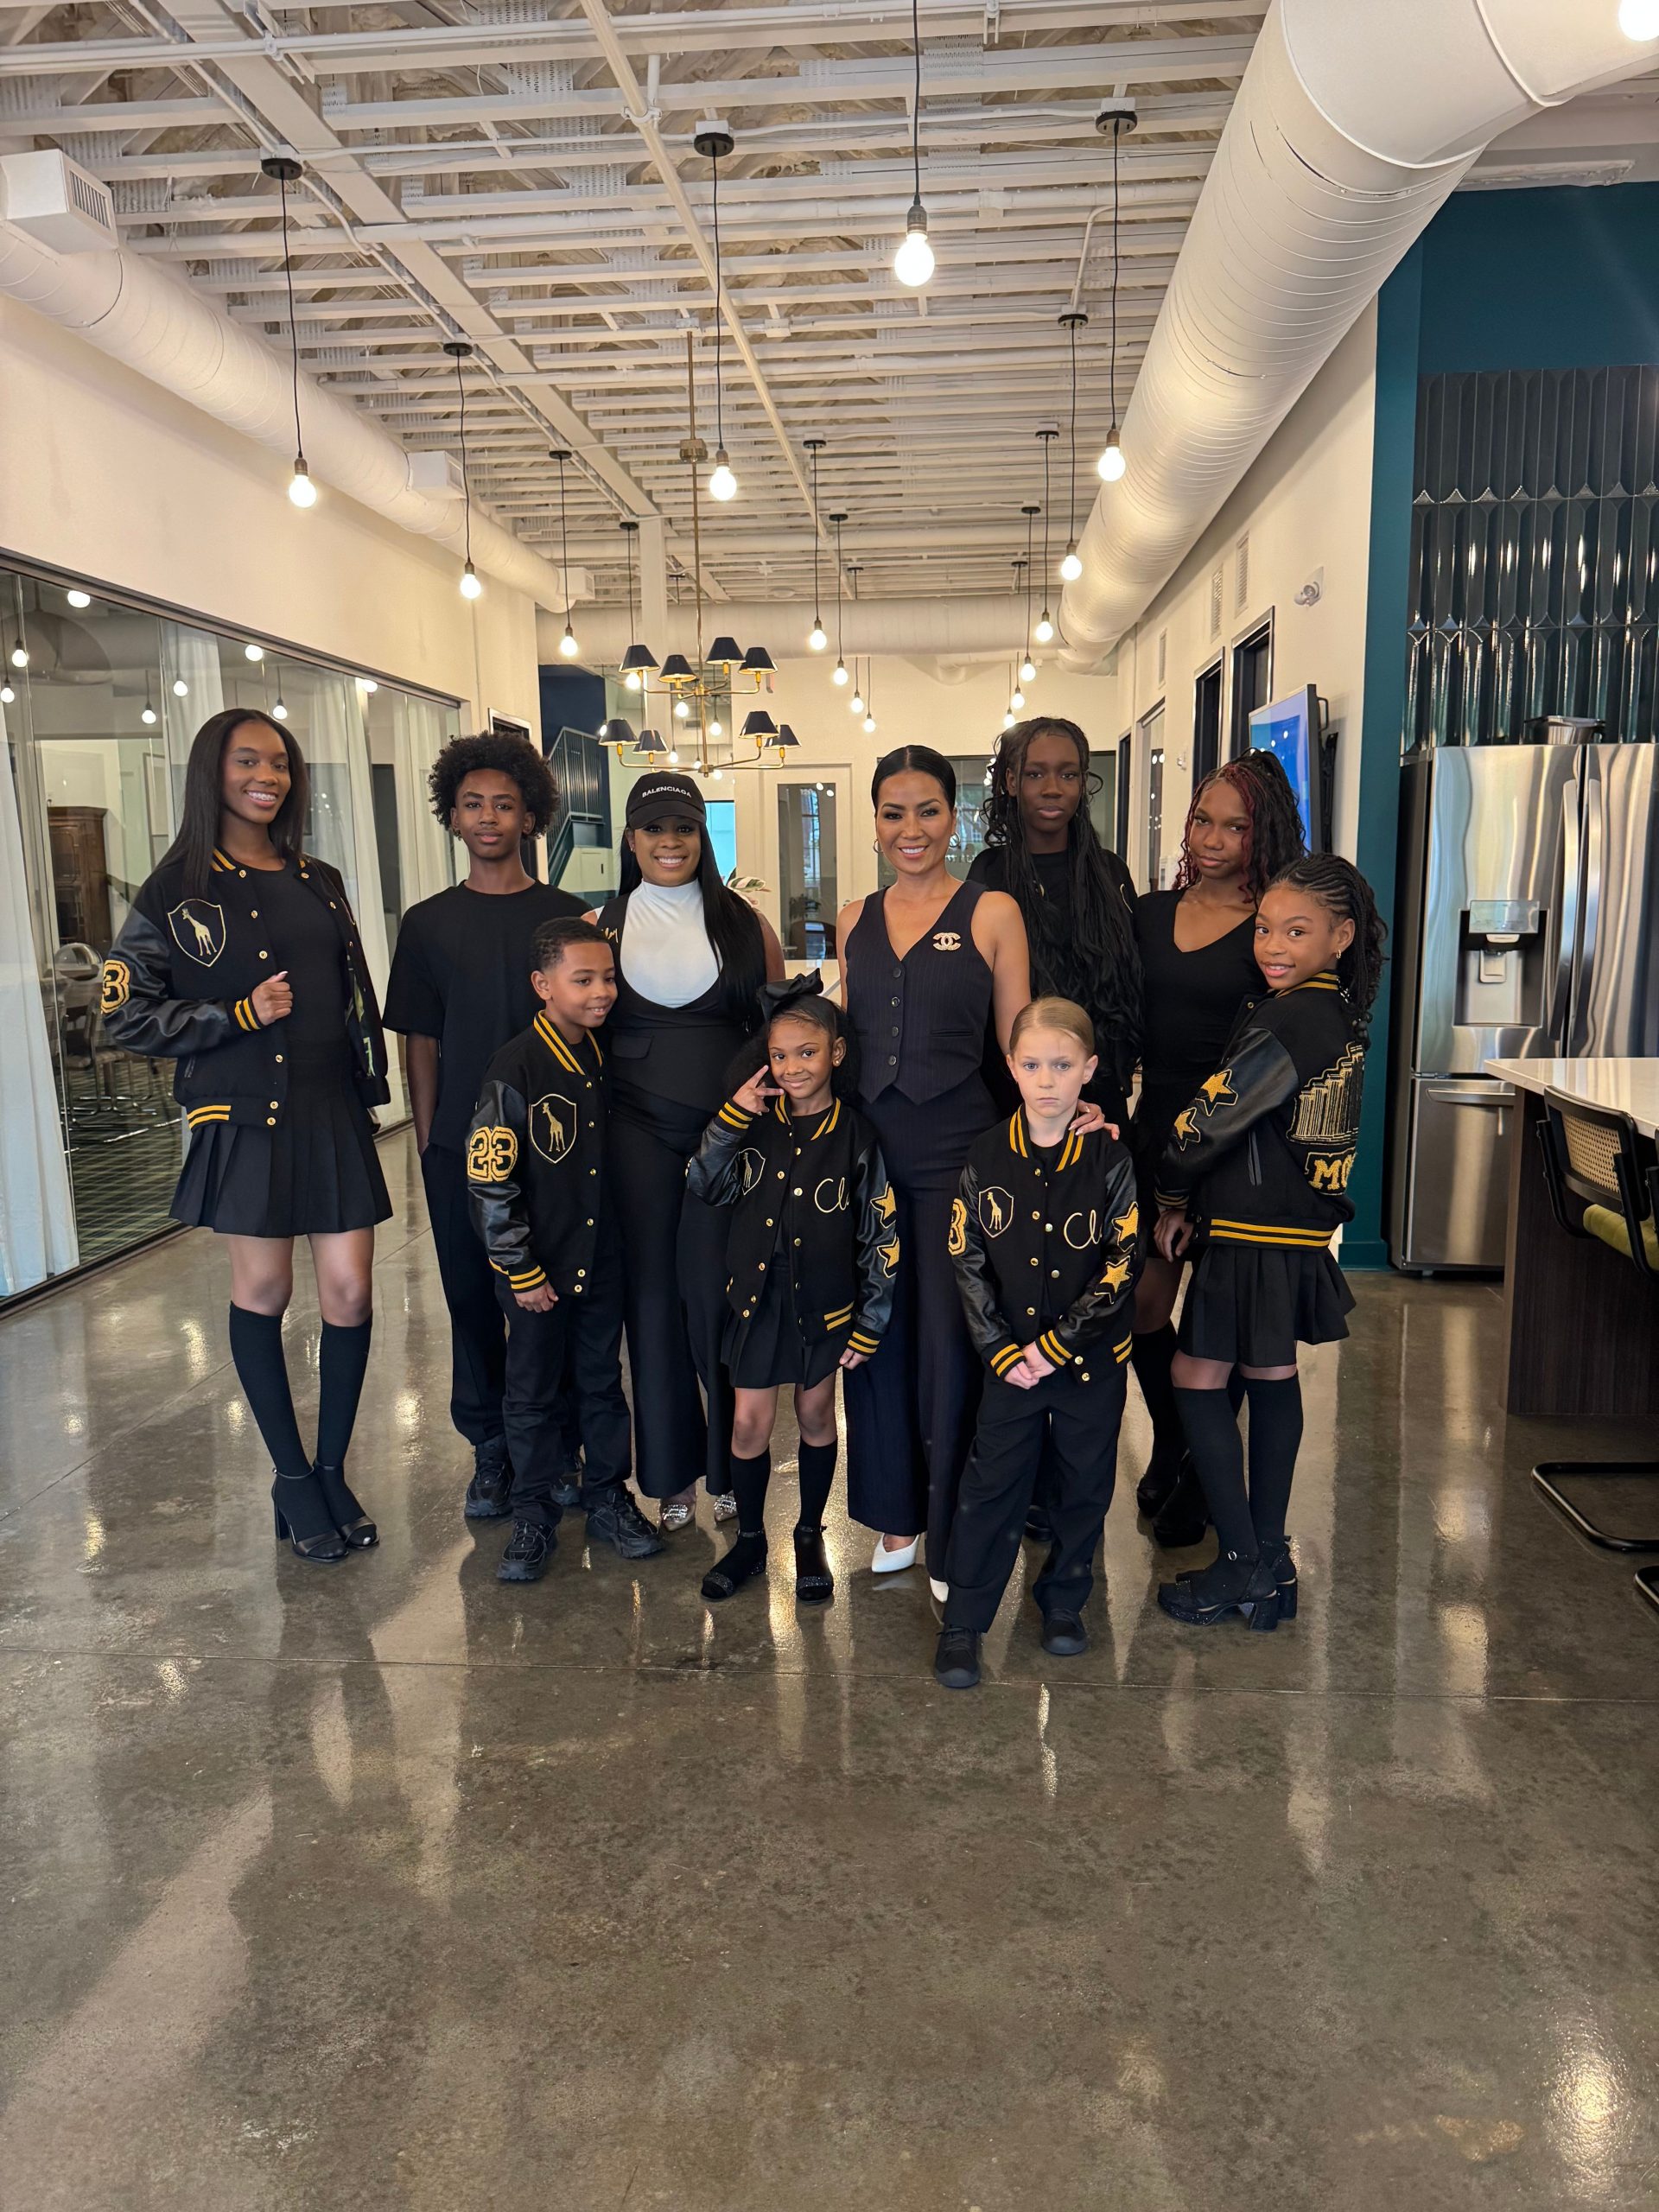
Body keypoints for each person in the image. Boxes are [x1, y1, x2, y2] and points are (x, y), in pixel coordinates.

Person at [99, 709, 391, 1564]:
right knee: (264, 1290)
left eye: (280, 763)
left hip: (330, 1106)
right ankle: (292, 1480)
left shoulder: (318, 877)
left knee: (350, 1294)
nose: (268, 776)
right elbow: (124, 1014)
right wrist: (233, 1014)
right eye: (248, 761)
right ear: (212, 772)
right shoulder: (174, 889)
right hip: (247, 1116)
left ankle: (331, 1471)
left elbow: (350, 991)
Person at [1151, 854, 1385, 1630]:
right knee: (1271, 1373)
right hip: (1291, 1228)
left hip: (1251, 1229)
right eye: (1265, 929)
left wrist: (1172, 1190)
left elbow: (1208, 1122)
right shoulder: (1333, 1012)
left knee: (1194, 1377)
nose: (1273, 946)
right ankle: (1270, 1559)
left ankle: (1242, 1560)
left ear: (1341, 937)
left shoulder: (1289, 1020)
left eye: (1297, 931)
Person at [836, 745, 1032, 1592]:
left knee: (954, 1345)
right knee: (876, 1336)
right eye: (893, 812)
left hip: (960, 1156)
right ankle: (897, 1515)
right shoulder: (853, 915)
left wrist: (1060, 1120)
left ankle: (955, 1528)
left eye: (927, 810)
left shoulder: (993, 911)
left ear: (955, 817)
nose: (909, 829)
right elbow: (845, 1038)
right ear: (875, 822)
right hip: (868, 1155)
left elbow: (1019, 1042)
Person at [384, 731, 586, 1521]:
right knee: (472, 1299)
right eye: (473, 804)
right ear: (453, 816)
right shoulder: (428, 924)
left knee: (550, 1297)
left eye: (505, 804)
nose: (489, 817)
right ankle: (491, 1448)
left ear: (531, 816)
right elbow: (420, 1041)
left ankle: (558, 1442)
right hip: (461, 1149)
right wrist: (432, 1140)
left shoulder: (567, 916)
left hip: (555, 1147)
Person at [590, 772, 785, 1530]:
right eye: (654, 828)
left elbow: (779, 1035)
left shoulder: (747, 927)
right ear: (630, 839)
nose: (669, 842)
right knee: (652, 1301)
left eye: (684, 828)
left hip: (730, 1132)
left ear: (701, 838)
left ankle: (731, 1466)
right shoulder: (598, 926)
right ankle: (669, 1476)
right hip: (634, 1132)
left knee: (721, 1297)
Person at [933, 999, 1142, 1689]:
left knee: (1084, 1486)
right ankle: (964, 1621)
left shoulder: (1110, 1159)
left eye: (1062, 1065)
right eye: (1032, 1065)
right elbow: (966, 1257)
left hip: (1088, 1365)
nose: (1047, 1080)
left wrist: (1058, 1347)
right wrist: (999, 1350)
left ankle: (1064, 1599)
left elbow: (1122, 1263)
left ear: (1089, 1069)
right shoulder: (987, 1154)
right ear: (1011, 1068)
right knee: (990, 1486)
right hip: (1010, 1365)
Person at [1128, 753, 1306, 1548]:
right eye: (1203, 820)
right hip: (1155, 1130)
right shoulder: (1147, 913)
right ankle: (1176, 1438)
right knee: (1141, 1306)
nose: (1212, 839)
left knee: (1219, 1327)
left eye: (1236, 827)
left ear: (1263, 835)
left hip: (1240, 1142)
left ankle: (1200, 1479)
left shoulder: (1273, 925)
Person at [686, 975, 897, 1606]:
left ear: (835, 1053)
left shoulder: (857, 1135)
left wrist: (871, 1321)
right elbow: (704, 1183)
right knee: (748, 1423)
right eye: (779, 1055)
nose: (792, 1066)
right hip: (757, 1301)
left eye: (807, 1052)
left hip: (824, 1307)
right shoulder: (753, 1125)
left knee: (814, 1415)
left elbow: (881, 1233)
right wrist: (732, 1118)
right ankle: (750, 1540)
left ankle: (809, 1533)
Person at [465, 916, 664, 1583]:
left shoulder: (603, 1055)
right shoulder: (515, 1065)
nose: (601, 992)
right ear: (542, 985)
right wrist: (519, 1268)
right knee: (531, 1394)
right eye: (583, 980)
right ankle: (532, 1515)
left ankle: (607, 1497)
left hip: (599, 1258)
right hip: (537, 1271)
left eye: (607, 977)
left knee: (602, 1383)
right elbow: (489, 1178)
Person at [968, 716, 1142, 1130]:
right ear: (1012, 782)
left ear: (1082, 783)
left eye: (1068, 774)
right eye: (1035, 774)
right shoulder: (989, 874)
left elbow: (1128, 983)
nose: (1053, 788)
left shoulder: (1110, 873)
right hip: (1016, 1094)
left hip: (1097, 1090)